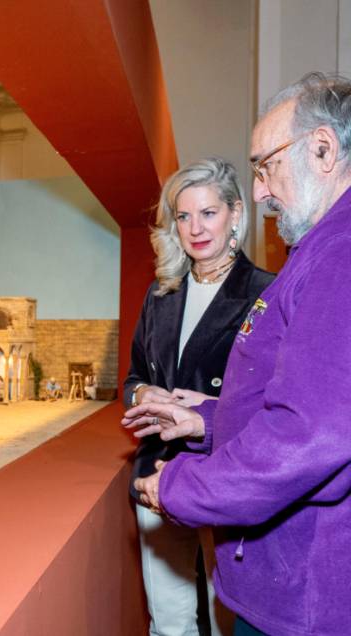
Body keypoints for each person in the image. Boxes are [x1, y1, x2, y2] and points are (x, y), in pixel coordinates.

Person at [126, 73, 351, 636]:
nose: (260, 192)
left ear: (323, 150)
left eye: (265, 167)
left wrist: (180, 487)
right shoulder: (317, 251)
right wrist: (203, 419)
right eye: (183, 216)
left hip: (303, 587)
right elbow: (297, 401)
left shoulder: (337, 255)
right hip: (276, 560)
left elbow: (308, 433)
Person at [123, 157, 273, 636]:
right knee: (168, 622)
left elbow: (276, 403)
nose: (195, 228)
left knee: (226, 616)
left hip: (225, 473)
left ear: (235, 214)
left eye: (208, 213)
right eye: (184, 216)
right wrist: (143, 393)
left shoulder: (266, 293)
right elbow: (132, 378)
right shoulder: (161, 294)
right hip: (158, 470)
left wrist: (204, 412)